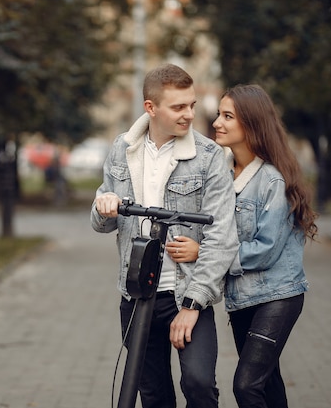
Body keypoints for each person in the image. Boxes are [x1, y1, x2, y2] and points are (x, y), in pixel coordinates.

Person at [91, 63, 239, 408]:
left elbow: (223, 236)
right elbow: (99, 223)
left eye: (191, 104)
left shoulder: (208, 157)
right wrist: (105, 205)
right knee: (153, 394)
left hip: (186, 292)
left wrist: (192, 304)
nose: (189, 114)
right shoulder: (122, 149)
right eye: (178, 107)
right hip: (137, 294)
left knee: (200, 386)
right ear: (150, 108)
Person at [182, 84, 318, 407]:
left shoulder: (272, 180)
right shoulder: (222, 175)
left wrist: (205, 253)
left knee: (246, 386)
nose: (217, 123)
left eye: (228, 116)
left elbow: (266, 249)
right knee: (267, 383)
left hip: (278, 296)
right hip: (242, 299)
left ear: (252, 124)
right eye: (219, 115)